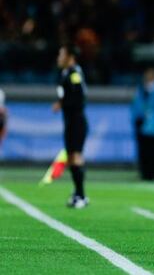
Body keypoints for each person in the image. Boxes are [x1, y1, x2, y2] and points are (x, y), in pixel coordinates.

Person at [52, 44, 89, 209]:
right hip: (70, 121)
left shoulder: (74, 73)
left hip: (77, 121)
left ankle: (81, 195)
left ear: (70, 57)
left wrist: (62, 103)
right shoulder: (65, 73)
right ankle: (78, 193)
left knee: (75, 157)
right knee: (72, 157)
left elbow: (80, 97)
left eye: (61, 55)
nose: (59, 58)